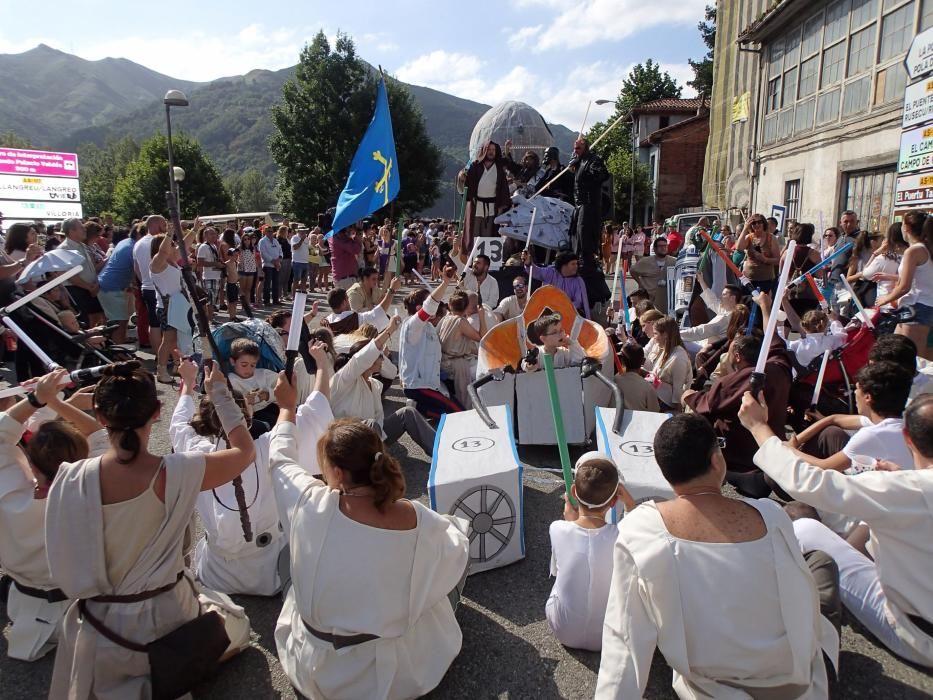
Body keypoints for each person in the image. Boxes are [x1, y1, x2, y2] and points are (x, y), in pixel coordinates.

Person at [44, 362, 253, 698]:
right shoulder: (179, 471)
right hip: (170, 614)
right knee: (236, 622)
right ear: (157, 412)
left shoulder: (71, 477)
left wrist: (51, 401)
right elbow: (245, 452)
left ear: (100, 415)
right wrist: (220, 396)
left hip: (101, 624)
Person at [596, 413, 839, 698]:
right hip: (802, 685)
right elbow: (802, 598)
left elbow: (622, 641)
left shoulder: (640, 530)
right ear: (716, 461)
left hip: (710, 688)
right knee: (821, 562)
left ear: (664, 471)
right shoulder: (771, 514)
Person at [268, 380, 470, 699]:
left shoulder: (306, 500)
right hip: (388, 676)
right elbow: (455, 555)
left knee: (286, 556)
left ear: (337, 472)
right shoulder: (415, 518)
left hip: (313, 665)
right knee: (451, 551)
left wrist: (286, 407)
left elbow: (279, 458)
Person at [739, 390, 933, 668]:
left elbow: (808, 483)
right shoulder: (906, 487)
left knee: (803, 526)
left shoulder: (907, 489)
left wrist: (758, 427)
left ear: (908, 439)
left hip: (918, 634)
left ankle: (808, 639)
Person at [170, 346, 330, 596]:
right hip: (269, 574)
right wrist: (320, 366)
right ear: (247, 415)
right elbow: (316, 413)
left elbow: (179, 422)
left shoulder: (195, 453)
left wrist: (188, 381)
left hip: (215, 573)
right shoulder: (269, 448)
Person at [0, 372, 105, 661]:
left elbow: (0, 435)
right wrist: (57, 404)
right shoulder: (95, 486)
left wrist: (38, 400)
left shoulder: (7, 493)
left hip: (24, 607)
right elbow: (99, 435)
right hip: (90, 609)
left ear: (31, 464)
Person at [547, 453, 629, 651]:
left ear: (573, 491)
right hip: (609, 638)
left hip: (563, 630)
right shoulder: (624, 535)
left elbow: (561, 569)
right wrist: (630, 503)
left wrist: (569, 522)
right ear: (613, 502)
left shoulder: (557, 528)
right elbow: (634, 526)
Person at [330, 318, 438, 458]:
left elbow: (392, 371)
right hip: (348, 446)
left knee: (408, 413)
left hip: (374, 439)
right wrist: (389, 330)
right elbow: (360, 359)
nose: (383, 359)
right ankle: (379, 471)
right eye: (379, 356)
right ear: (368, 360)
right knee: (369, 425)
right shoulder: (344, 379)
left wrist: (380, 440)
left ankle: (440, 450)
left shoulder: (375, 385)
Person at [789, 361, 914, 473]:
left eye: (857, 388)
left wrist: (791, 450)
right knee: (831, 432)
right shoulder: (904, 422)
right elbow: (834, 419)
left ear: (867, 397)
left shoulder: (871, 434)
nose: (854, 392)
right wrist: (798, 440)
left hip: (873, 494)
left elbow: (824, 466)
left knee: (829, 437)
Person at [399, 267, 465, 419]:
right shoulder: (412, 325)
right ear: (418, 308)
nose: (435, 305)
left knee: (454, 412)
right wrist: (444, 283)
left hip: (430, 384)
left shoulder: (428, 325)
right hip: (418, 386)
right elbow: (430, 306)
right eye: (429, 301)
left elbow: (451, 308)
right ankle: (418, 408)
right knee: (459, 415)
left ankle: (419, 408)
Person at [875, 211, 933, 359]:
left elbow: (904, 286)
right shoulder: (926, 249)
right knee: (912, 357)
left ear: (905, 227)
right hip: (921, 306)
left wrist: (885, 299)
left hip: (916, 307)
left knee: (911, 359)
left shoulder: (914, 251)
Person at [149, 233, 191, 384]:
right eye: (171, 244)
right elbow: (163, 252)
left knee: (176, 339)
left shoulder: (172, 261)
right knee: (168, 340)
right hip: (166, 307)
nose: (174, 246)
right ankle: (161, 370)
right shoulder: (157, 264)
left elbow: (184, 245)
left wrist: (195, 229)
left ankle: (177, 366)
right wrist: (168, 233)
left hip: (177, 305)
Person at [438, 290, 486, 407]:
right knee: (483, 373)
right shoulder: (460, 322)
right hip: (455, 364)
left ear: (450, 305)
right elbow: (482, 337)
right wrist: (482, 317)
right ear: (465, 308)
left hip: (443, 360)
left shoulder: (445, 318)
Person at [462, 141, 511, 254]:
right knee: (474, 234)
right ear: (484, 150)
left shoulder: (499, 168)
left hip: (492, 207)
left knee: (488, 236)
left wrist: (501, 208)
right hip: (477, 205)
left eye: (493, 150)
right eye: (489, 149)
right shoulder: (475, 166)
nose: (491, 152)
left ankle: (487, 262)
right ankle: (473, 260)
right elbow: (467, 183)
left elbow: (504, 188)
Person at [58, 217, 105, 327]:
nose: (84, 229)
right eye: (81, 227)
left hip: (90, 288)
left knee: (97, 316)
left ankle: (96, 342)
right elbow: (71, 276)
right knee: (85, 321)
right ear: (71, 231)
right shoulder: (65, 248)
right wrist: (90, 288)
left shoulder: (83, 245)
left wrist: (95, 285)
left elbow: (91, 267)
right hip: (77, 290)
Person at [569, 137, 609, 262]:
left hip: (588, 204)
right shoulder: (578, 161)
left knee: (584, 233)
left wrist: (586, 174)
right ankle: (578, 258)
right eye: (574, 146)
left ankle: (586, 259)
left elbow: (603, 174)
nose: (575, 149)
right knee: (575, 234)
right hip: (578, 204)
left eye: (578, 145)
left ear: (585, 146)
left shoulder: (593, 160)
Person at [520, 249, 591, 319]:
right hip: (547, 314)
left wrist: (561, 308)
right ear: (564, 265)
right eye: (573, 264)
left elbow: (578, 302)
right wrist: (528, 263)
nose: (576, 266)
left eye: (576, 263)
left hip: (568, 315)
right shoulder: (551, 272)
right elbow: (536, 271)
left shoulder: (578, 281)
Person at [97, 226, 138, 344]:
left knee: (121, 319)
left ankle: (121, 341)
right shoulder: (132, 248)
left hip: (109, 284)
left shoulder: (125, 242)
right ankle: (118, 349)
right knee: (119, 321)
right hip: (111, 287)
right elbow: (137, 272)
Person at [680, 279, 742, 356]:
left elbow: (701, 330)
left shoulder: (725, 318)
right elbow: (712, 301)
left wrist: (676, 333)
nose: (720, 297)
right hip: (703, 343)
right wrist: (701, 280)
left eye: (724, 295)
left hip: (707, 350)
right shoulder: (727, 311)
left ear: (732, 298)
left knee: (678, 341)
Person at [228, 337, 280, 427]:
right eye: (244, 365)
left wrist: (268, 395)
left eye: (253, 365)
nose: (248, 369)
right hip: (253, 416)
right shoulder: (231, 381)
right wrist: (247, 402)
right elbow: (231, 409)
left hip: (272, 407)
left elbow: (282, 388)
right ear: (233, 361)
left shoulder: (263, 373)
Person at [323, 278, 398, 336]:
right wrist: (391, 290)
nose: (349, 301)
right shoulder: (353, 319)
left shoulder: (326, 323)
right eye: (347, 299)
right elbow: (379, 312)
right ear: (343, 303)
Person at [863, 221, 909, 311]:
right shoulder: (913, 254)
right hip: (906, 303)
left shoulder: (884, 258)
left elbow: (866, 274)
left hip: (886, 303)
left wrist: (875, 253)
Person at [521, 313, 585, 372]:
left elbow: (580, 361)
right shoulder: (537, 353)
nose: (560, 334)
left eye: (561, 330)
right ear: (543, 339)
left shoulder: (564, 353)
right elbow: (524, 364)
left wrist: (572, 344)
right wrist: (529, 366)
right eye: (554, 332)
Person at [736, 213, 781, 295]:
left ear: (764, 223)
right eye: (753, 223)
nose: (757, 224)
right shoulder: (749, 237)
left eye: (759, 222)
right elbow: (739, 248)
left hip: (766, 280)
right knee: (747, 304)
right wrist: (745, 228)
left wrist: (765, 259)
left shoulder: (771, 238)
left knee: (763, 305)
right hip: (748, 279)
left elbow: (777, 260)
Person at [630, 237, 675, 313]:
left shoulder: (674, 261)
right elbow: (632, 270)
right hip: (650, 299)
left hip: (667, 300)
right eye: (660, 246)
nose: (663, 248)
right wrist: (640, 283)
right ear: (655, 248)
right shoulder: (645, 261)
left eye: (665, 246)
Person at [612, 340, 660, 412]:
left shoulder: (613, 380)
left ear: (622, 361)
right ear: (643, 361)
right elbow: (655, 411)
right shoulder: (647, 387)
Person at [196, 227, 224, 312]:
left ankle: (211, 319)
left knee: (213, 301)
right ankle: (209, 321)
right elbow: (200, 263)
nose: (214, 236)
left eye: (214, 234)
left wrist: (220, 263)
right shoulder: (203, 247)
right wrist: (215, 264)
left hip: (216, 276)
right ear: (205, 235)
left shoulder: (213, 246)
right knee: (210, 301)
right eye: (211, 234)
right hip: (209, 277)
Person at [258, 226, 283, 306]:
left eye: (271, 231)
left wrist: (279, 260)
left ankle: (276, 300)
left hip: (276, 265)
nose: (270, 232)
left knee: (276, 283)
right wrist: (273, 261)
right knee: (267, 284)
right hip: (267, 265)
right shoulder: (262, 241)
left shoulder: (275, 240)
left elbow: (280, 251)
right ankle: (267, 301)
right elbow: (263, 254)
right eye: (268, 231)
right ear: (265, 232)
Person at [237, 231, 258, 309]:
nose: (247, 240)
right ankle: (243, 305)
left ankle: (248, 304)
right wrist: (238, 262)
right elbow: (235, 256)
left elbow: (254, 258)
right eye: (245, 239)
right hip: (243, 270)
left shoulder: (253, 247)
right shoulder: (240, 247)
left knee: (248, 289)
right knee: (242, 288)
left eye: (248, 239)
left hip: (251, 269)